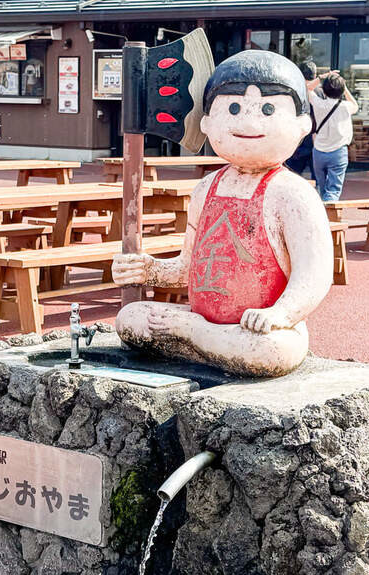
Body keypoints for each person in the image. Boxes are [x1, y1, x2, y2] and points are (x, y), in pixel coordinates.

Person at [111, 50, 333, 378]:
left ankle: (197, 336)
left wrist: (282, 314)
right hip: (211, 322)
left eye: (268, 110)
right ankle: (207, 341)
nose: (247, 122)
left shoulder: (293, 194)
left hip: (261, 331)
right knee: (130, 319)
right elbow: (189, 267)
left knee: (271, 349)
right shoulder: (206, 188)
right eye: (233, 108)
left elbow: (314, 274)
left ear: (302, 125)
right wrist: (149, 270)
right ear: (207, 121)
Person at [310, 70, 358, 202]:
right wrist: (345, 88)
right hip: (338, 152)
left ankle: (321, 216)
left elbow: (306, 88)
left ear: (324, 91)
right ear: (341, 91)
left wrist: (321, 77)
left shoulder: (318, 103)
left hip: (319, 151)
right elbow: (355, 105)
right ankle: (328, 219)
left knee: (321, 187)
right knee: (333, 190)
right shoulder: (345, 107)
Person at [284, 61, 320, 180]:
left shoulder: (295, 91)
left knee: (290, 176)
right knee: (318, 179)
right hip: (318, 139)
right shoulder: (321, 92)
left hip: (299, 140)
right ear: (315, 74)